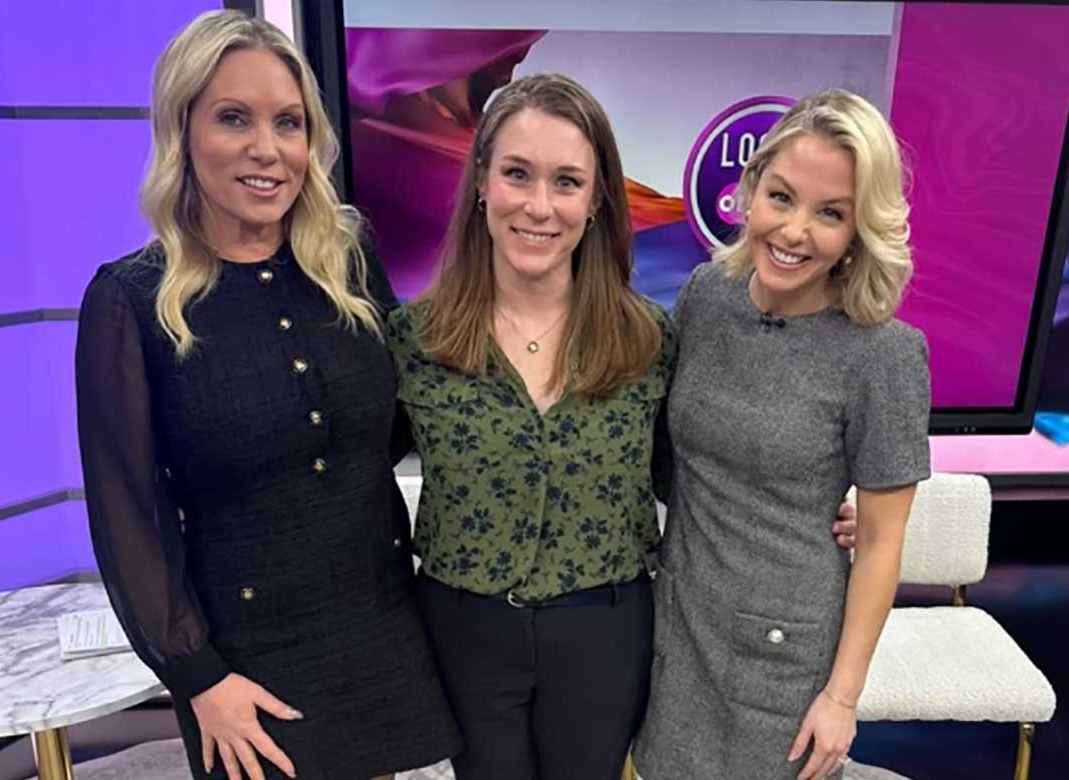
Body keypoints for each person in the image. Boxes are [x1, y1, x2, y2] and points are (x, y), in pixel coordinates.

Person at [386, 74, 858, 780]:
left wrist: (797, 506)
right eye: (518, 174)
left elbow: (688, 469)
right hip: (464, 630)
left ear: (598, 197)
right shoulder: (413, 340)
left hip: (604, 631)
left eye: (568, 181)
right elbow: (346, 481)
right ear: (482, 181)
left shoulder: (646, 340)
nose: (539, 206)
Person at [75, 11, 459, 780]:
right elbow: (131, 520)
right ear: (181, 130)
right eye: (232, 118)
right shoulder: (132, 300)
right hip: (244, 665)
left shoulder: (347, 258)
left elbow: (383, 431)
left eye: (288, 123)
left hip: (378, 626)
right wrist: (198, 679)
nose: (266, 149)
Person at [633, 88, 931, 780]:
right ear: (748, 191)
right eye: (781, 197)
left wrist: (842, 697)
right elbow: (668, 449)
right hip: (680, 618)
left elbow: (883, 544)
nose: (795, 231)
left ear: (861, 231)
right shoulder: (707, 296)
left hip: (783, 647)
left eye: (830, 214)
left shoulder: (883, 354)